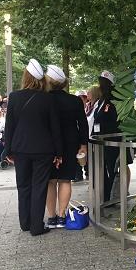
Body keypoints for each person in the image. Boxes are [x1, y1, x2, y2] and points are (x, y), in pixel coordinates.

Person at [4, 59, 63, 236]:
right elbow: (55, 127)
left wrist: (8, 151)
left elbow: (9, 126)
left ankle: (25, 223)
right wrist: (59, 152)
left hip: (20, 149)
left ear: (26, 76)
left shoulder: (14, 97)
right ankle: (37, 226)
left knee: (23, 186)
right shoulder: (47, 99)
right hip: (43, 150)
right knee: (39, 186)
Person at [45, 65, 88, 229]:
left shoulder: (43, 99)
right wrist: (83, 144)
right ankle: (62, 216)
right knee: (65, 179)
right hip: (70, 144)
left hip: (48, 144)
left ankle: (51, 217)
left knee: (50, 181)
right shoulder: (74, 100)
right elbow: (82, 124)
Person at [91, 71, 123, 202]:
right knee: (103, 170)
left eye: (101, 83)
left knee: (111, 170)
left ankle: (109, 198)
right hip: (101, 142)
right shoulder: (101, 101)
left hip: (111, 142)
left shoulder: (114, 101)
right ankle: (104, 196)